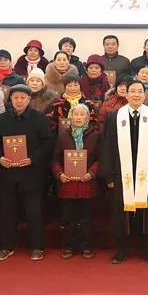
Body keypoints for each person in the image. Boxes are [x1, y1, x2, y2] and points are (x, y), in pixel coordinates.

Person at [99, 80, 148, 264]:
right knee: (123, 211)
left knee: (147, 211)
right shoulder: (114, 117)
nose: (136, 95)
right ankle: (122, 248)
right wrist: (109, 175)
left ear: (145, 95)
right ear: (126, 94)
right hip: (122, 173)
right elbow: (107, 147)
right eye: (133, 91)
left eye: (140, 91)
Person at [0, 84, 54, 261]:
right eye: (15, 97)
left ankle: (37, 246)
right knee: (7, 211)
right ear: (10, 100)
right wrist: (0, 158)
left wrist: (33, 158)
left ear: (29, 99)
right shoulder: (2, 119)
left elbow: (47, 143)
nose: (19, 101)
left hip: (32, 173)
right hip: (8, 172)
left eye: (23, 98)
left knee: (34, 212)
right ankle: (7, 246)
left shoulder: (39, 118)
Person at [51, 103, 101, 259]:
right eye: (76, 114)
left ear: (87, 117)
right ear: (70, 117)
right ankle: (69, 246)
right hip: (68, 185)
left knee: (86, 219)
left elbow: (101, 159)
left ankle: (86, 246)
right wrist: (59, 174)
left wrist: (92, 173)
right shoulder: (62, 135)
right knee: (68, 219)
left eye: (82, 115)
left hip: (87, 184)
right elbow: (54, 160)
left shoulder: (95, 135)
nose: (78, 118)